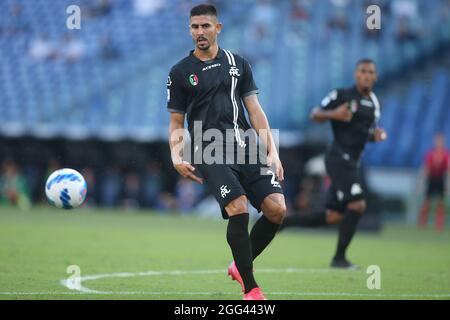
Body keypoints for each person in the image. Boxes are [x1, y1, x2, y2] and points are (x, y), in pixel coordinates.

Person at [167, 4, 286, 300]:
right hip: (208, 147)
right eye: (194, 27)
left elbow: (254, 110)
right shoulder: (180, 72)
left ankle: (239, 265)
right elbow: (176, 121)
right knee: (239, 207)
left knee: (276, 209)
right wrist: (176, 155)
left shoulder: (238, 64)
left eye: (205, 26)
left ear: (218, 28)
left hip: (245, 145)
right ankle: (251, 288)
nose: (200, 32)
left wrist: (273, 151)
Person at [286, 59, 387, 269]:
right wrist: (335, 114)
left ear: (375, 77)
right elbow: (315, 114)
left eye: (371, 72)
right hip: (338, 157)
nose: (367, 75)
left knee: (333, 216)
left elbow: (364, 133)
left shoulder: (375, 104)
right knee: (358, 204)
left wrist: (374, 136)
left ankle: (286, 222)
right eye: (363, 71)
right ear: (356, 74)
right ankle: (339, 259)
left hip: (353, 162)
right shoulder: (341, 95)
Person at [418, 134, 449, 232]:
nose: (438, 143)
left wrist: (448, 184)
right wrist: (421, 182)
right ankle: (422, 223)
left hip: (440, 180)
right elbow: (426, 168)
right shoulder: (430, 154)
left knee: (440, 203)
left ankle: (439, 225)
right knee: (426, 202)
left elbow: (448, 170)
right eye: (437, 141)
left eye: (440, 141)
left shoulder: (446, 154)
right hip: (431, 180)